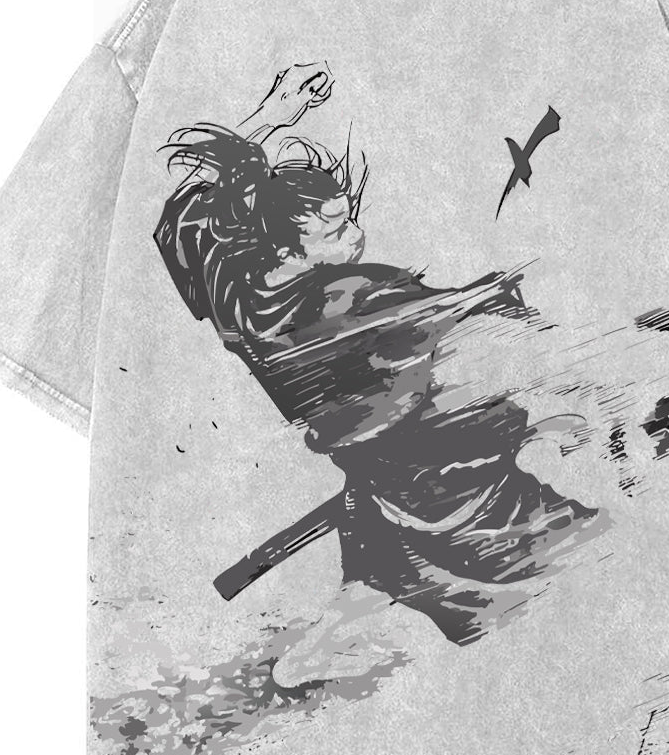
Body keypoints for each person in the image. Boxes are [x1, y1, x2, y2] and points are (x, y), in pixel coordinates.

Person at [155, 64, 606, 685]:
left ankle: (328, 639)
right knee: (571, 553)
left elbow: (187, 213)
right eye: (337, 229)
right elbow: (469, 340)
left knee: (377, 533)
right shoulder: (354, 299)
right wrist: (532, 401)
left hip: (371, 464)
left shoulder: (230, 285)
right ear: (285, 249)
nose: (357, 234)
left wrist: (273, 115)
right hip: (436, 475)